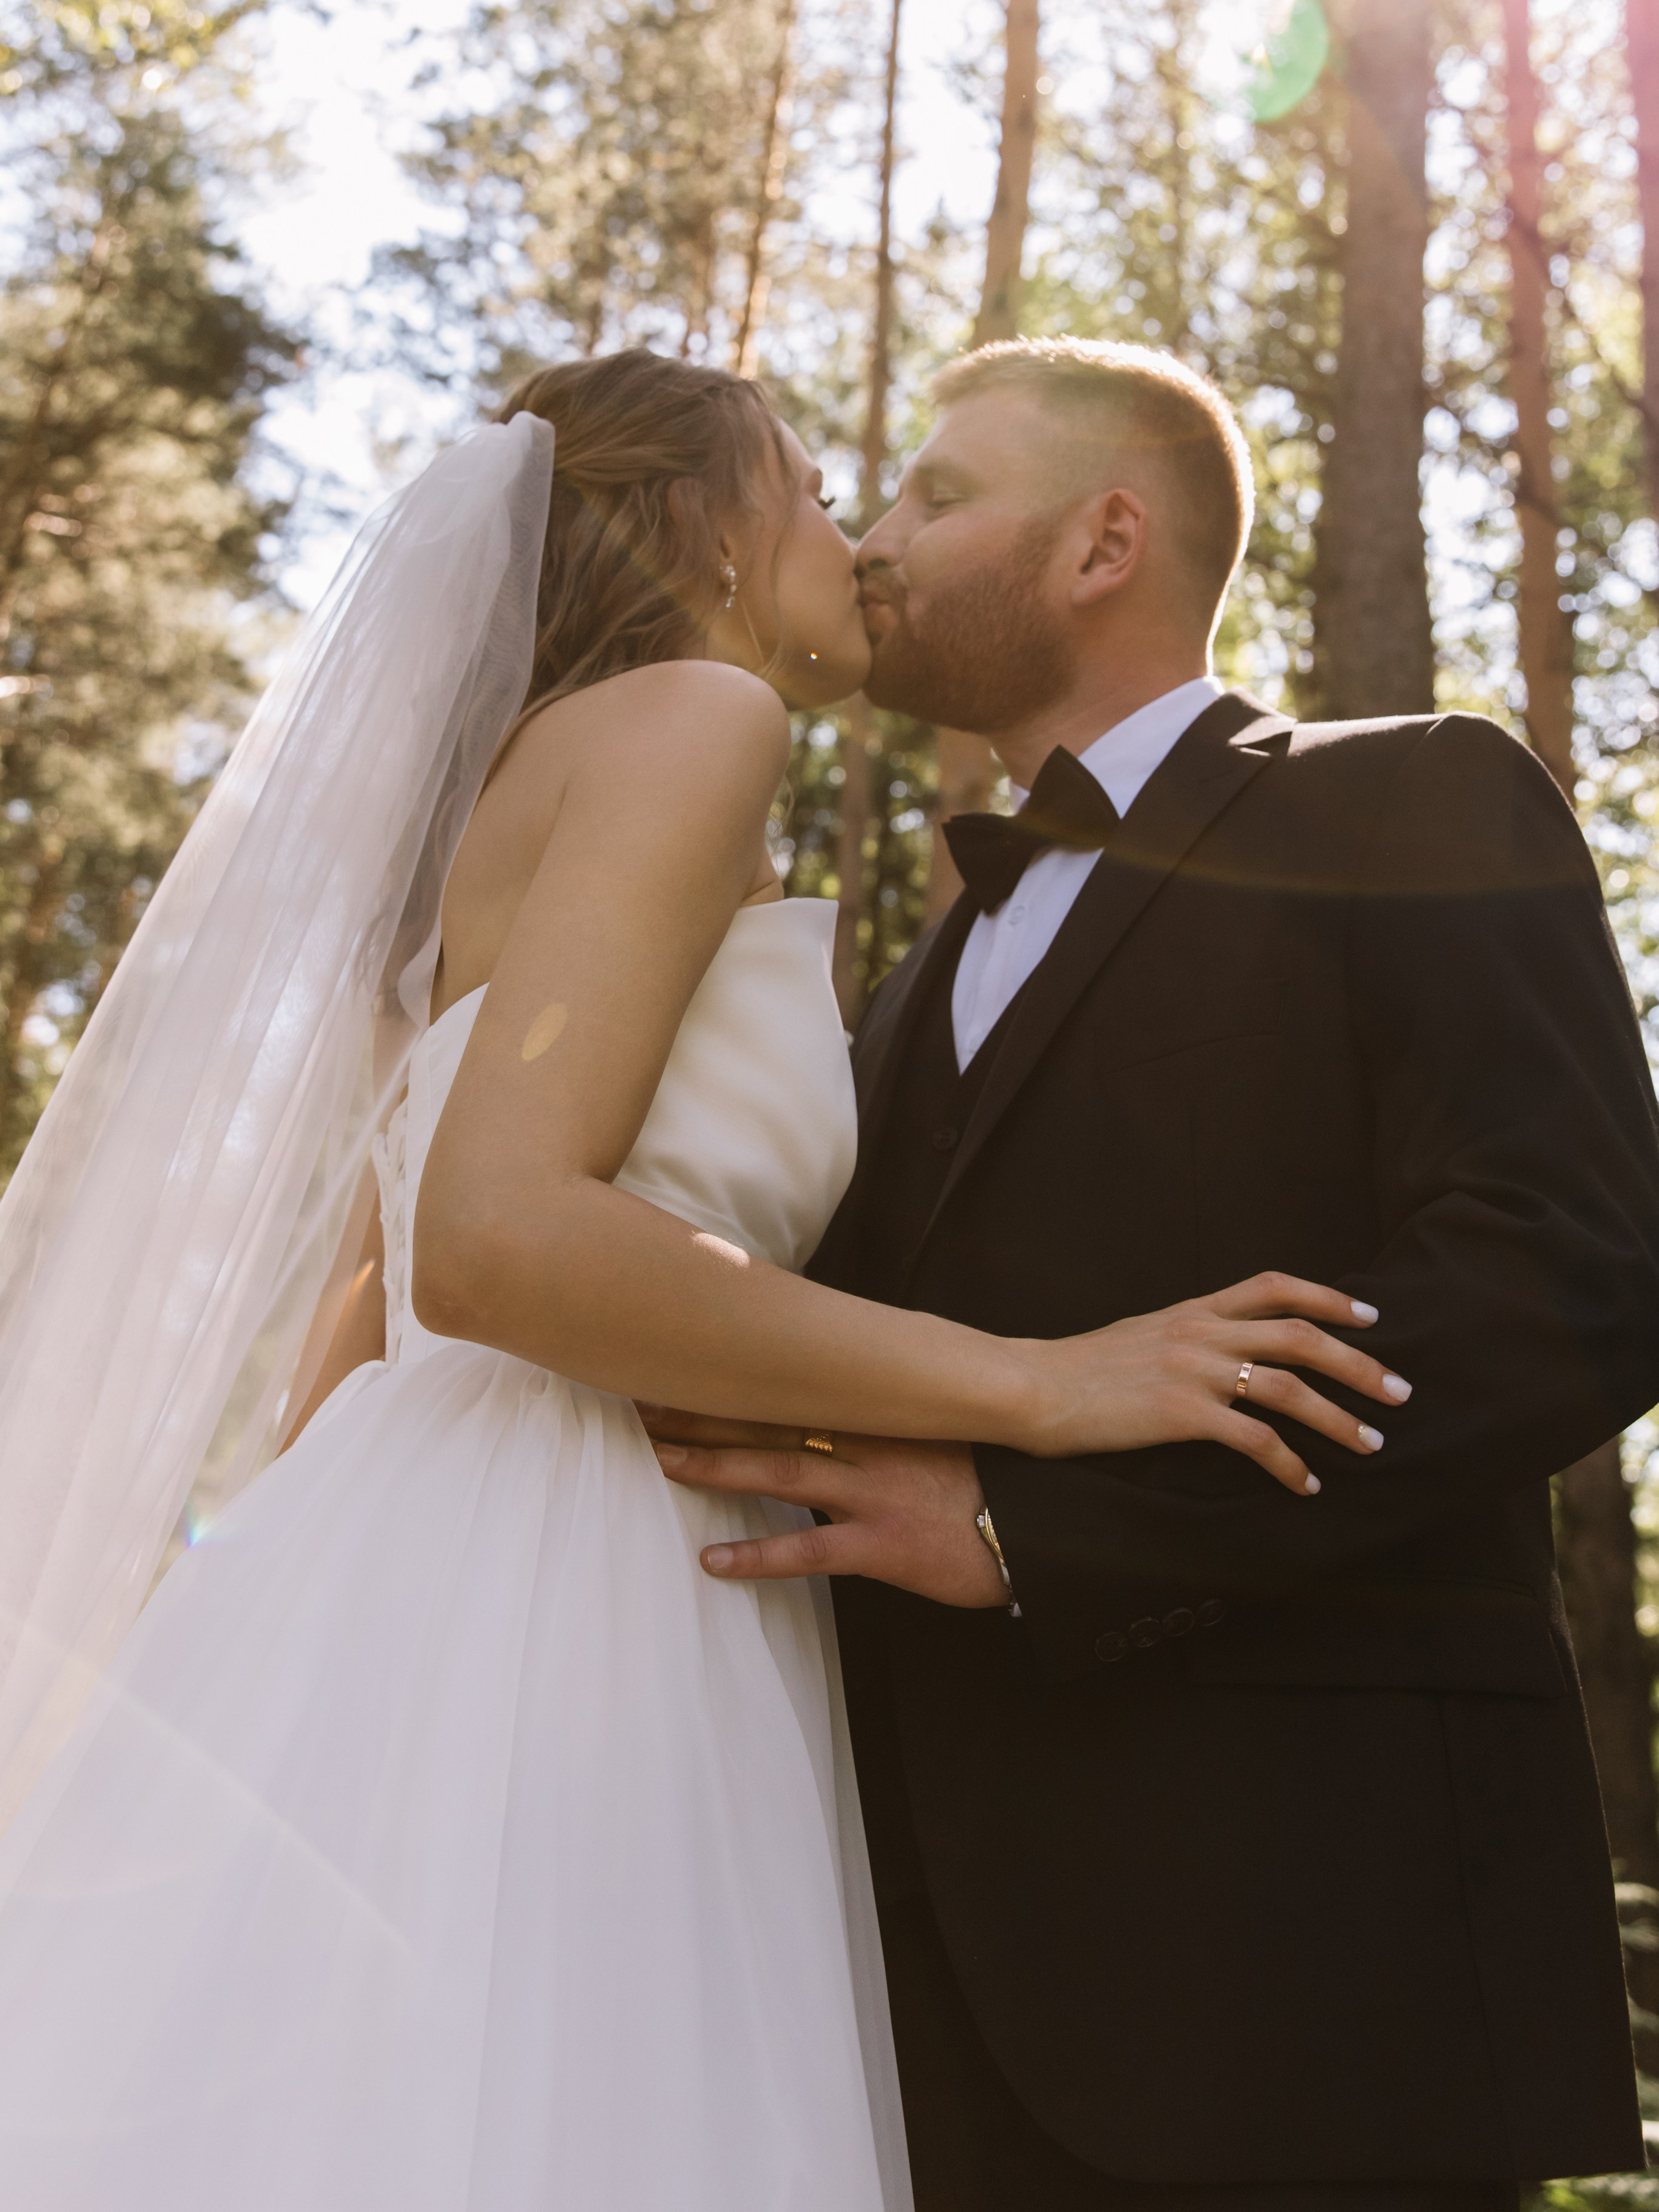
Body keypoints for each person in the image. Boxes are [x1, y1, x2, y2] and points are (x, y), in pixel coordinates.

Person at [0, 348, 1398, 2209]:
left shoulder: (476, 825)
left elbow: (349, 1332)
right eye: (824, 490)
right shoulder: (697, 720)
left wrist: (326, 1630)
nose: (863, 541)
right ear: (707, 537)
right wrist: (1039, 1383)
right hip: (597, 1546)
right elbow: (491, 1239)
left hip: (398, 1534)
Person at [647, 337, 1659, 2212]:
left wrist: (1044, 1531)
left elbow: (1572, 1270)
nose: (875, 539)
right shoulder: (888, 1006)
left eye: (939, 493)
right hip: (904, 1993)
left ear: (1105, 541)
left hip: (1305, 1973)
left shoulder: (1414, 799)